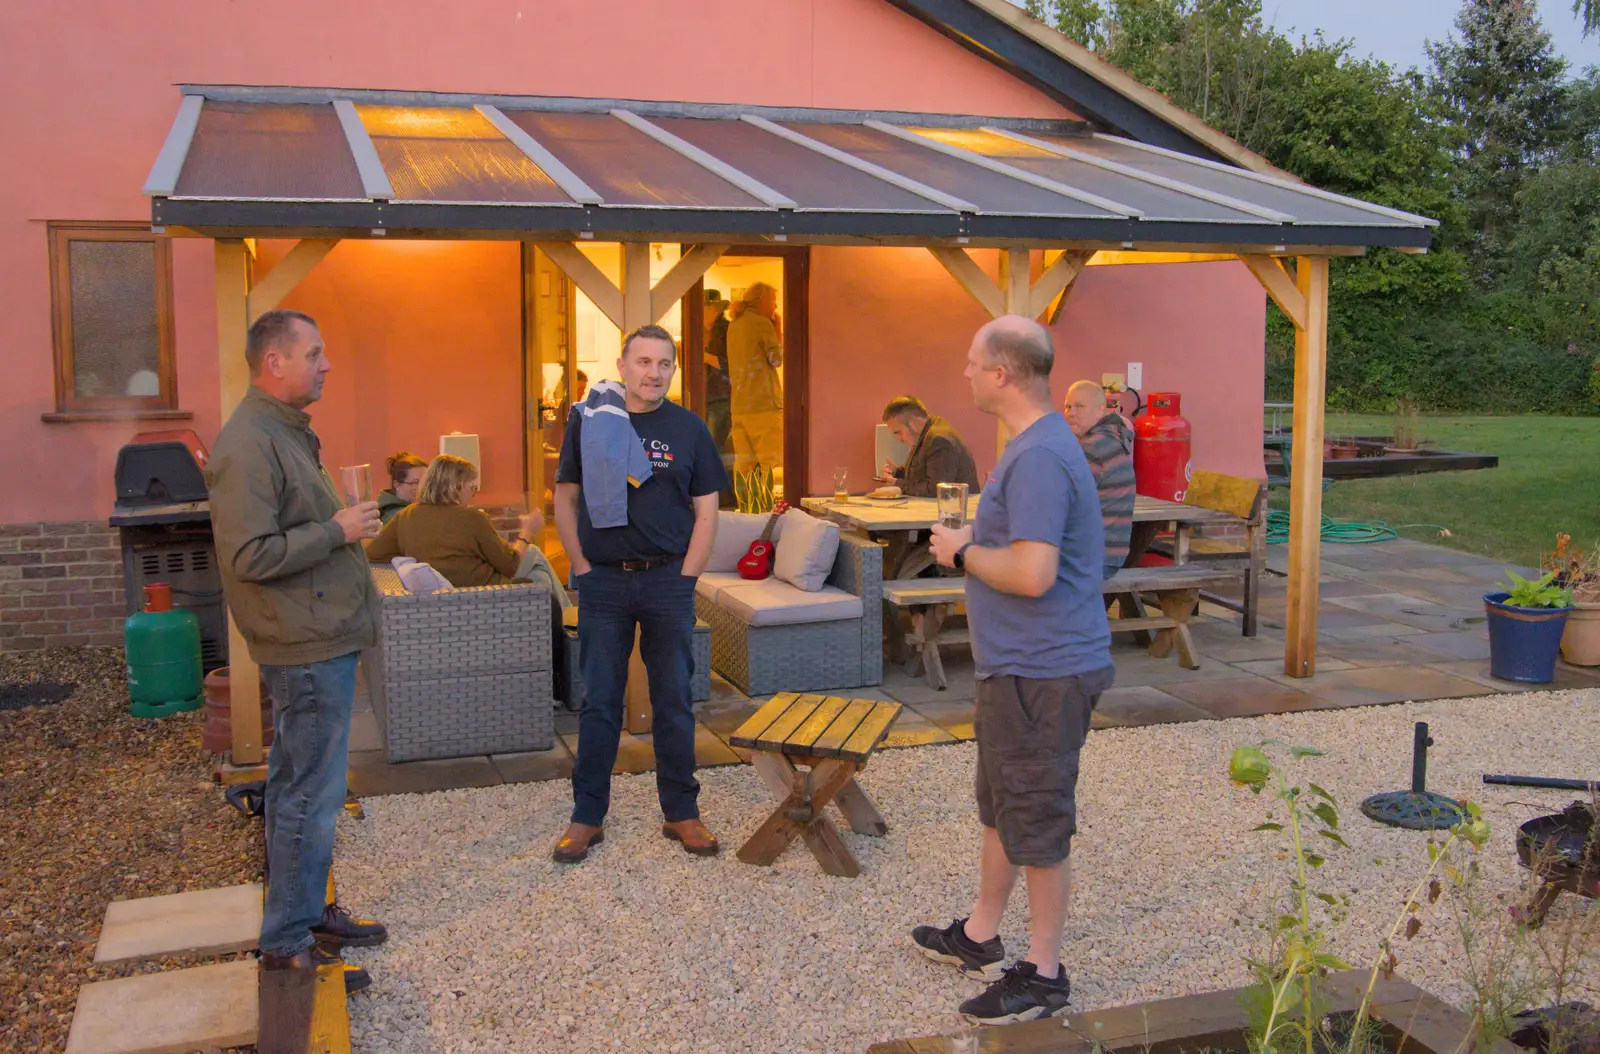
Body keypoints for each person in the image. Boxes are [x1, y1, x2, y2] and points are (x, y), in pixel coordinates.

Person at [916, 315, 1113, 1025]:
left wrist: (961, 555)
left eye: (972, 362)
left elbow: (1032, 573)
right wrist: (974, 535)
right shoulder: (1036, 448)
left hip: (1043, 673)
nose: (964, 372)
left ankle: (1044, 973)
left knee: (1035, 819)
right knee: (1000, 809)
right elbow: (1026, 540)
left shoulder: (1036, 457)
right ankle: (979, 934)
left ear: (1002, 374)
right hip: (1017, 671)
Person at [206, 309, 388, 993]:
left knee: (297, 786)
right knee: (312, 794)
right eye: (314, 353)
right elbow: (249, 556)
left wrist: (335, 533)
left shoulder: (283, 432)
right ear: (274, 362)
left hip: (317, 637)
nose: (326, 364)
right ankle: (287, 946)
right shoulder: (248, 444)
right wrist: (336, 531)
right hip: (304, 646)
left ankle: (306, 915)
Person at [551, 324, 728, 864]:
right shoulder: (591, 422)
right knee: (599, 701)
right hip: (604, 581)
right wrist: (581, 565)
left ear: (673, 370)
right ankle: (587, 817)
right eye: (644, 362)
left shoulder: (689, 428)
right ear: (624, 366)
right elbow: (564, 498)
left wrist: (688, 575)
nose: (654, 373)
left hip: (666, 580)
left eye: (664, 364)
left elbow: (707, 509)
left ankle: (681, 812)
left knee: (673, 698)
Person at [1064, 381, 1136, 577]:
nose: (1071, 413)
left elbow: (1062, 500)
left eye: (1079, 406)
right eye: (1067, 406)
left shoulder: (1094, 446)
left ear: (1100, 410)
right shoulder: (1112, 438)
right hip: (1109, 554)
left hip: (1092, 558)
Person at [726, 282, 783, 477]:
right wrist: (778, 331)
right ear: (762, 301)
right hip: (764, 405)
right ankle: (774, 507)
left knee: (744, 468)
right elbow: (776, 359)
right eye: (773, 301)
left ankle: (745, 506)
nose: (775, 307)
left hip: (739, 406)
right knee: (772, 465)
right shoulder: (762, 324)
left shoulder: (734, 325)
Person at [879, 396, 980, 498]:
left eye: (898, 432)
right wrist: (897, 472)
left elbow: (935, 490)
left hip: (956, 511)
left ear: (913, 423)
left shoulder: (939, 440)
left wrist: (897, 483)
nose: (899, 439)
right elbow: (923, 473)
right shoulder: (924, 435)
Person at [378, 452, 428, 526]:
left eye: (426, 482)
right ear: (397, 484)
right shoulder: (398, 517)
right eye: (415, 482)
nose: (423, 487)